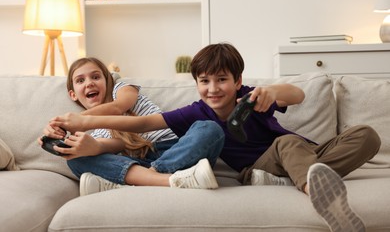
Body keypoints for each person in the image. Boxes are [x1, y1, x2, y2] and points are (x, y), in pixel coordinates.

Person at [50, 44, 381, 232]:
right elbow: (143, 124)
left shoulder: (252, 97)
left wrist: (273, 91)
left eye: (221, 80)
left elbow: (296, 95)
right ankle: (316, 192)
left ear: (238, 81)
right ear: (196, 84)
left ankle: (302, 177)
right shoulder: (196, 113)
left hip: (302, 153)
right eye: (204, 81)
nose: (212, 89)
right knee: (284, 144)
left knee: (367, 136)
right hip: (267, 159)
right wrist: (81, 122)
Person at [40, 57, 225, 195]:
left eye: (95, 77)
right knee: (75, 158)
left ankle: (146, 179)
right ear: (73, 95)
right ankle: (168, 180)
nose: (89, 83)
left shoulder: (121, 88)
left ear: (107, 80)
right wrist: (84, 143)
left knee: (210, 129)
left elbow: (120, 106)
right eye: (80, 80)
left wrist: (77, 120)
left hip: (175, 148)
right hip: (140, 163)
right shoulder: (95, 132)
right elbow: (116, 145)